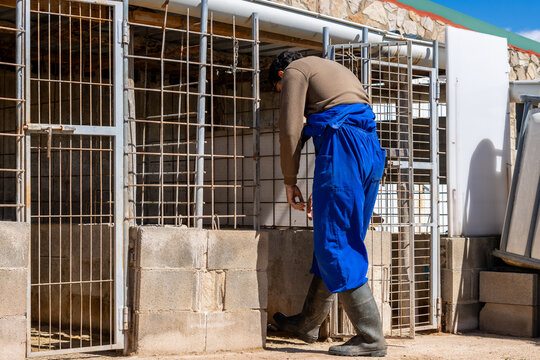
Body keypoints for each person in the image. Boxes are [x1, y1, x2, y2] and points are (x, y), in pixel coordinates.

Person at [269, 50, 387, 357]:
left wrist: (290, 178)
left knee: (336, 243)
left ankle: (371, 336)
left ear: (281, 76)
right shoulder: (332, 71)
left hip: (344, 149)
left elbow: (290, 127)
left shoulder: (296, 70)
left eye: (279, 91)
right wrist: (324, 187)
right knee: (337, 237)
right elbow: (339, 123)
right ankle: (307, 323)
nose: (283, 95)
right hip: (369, 149)